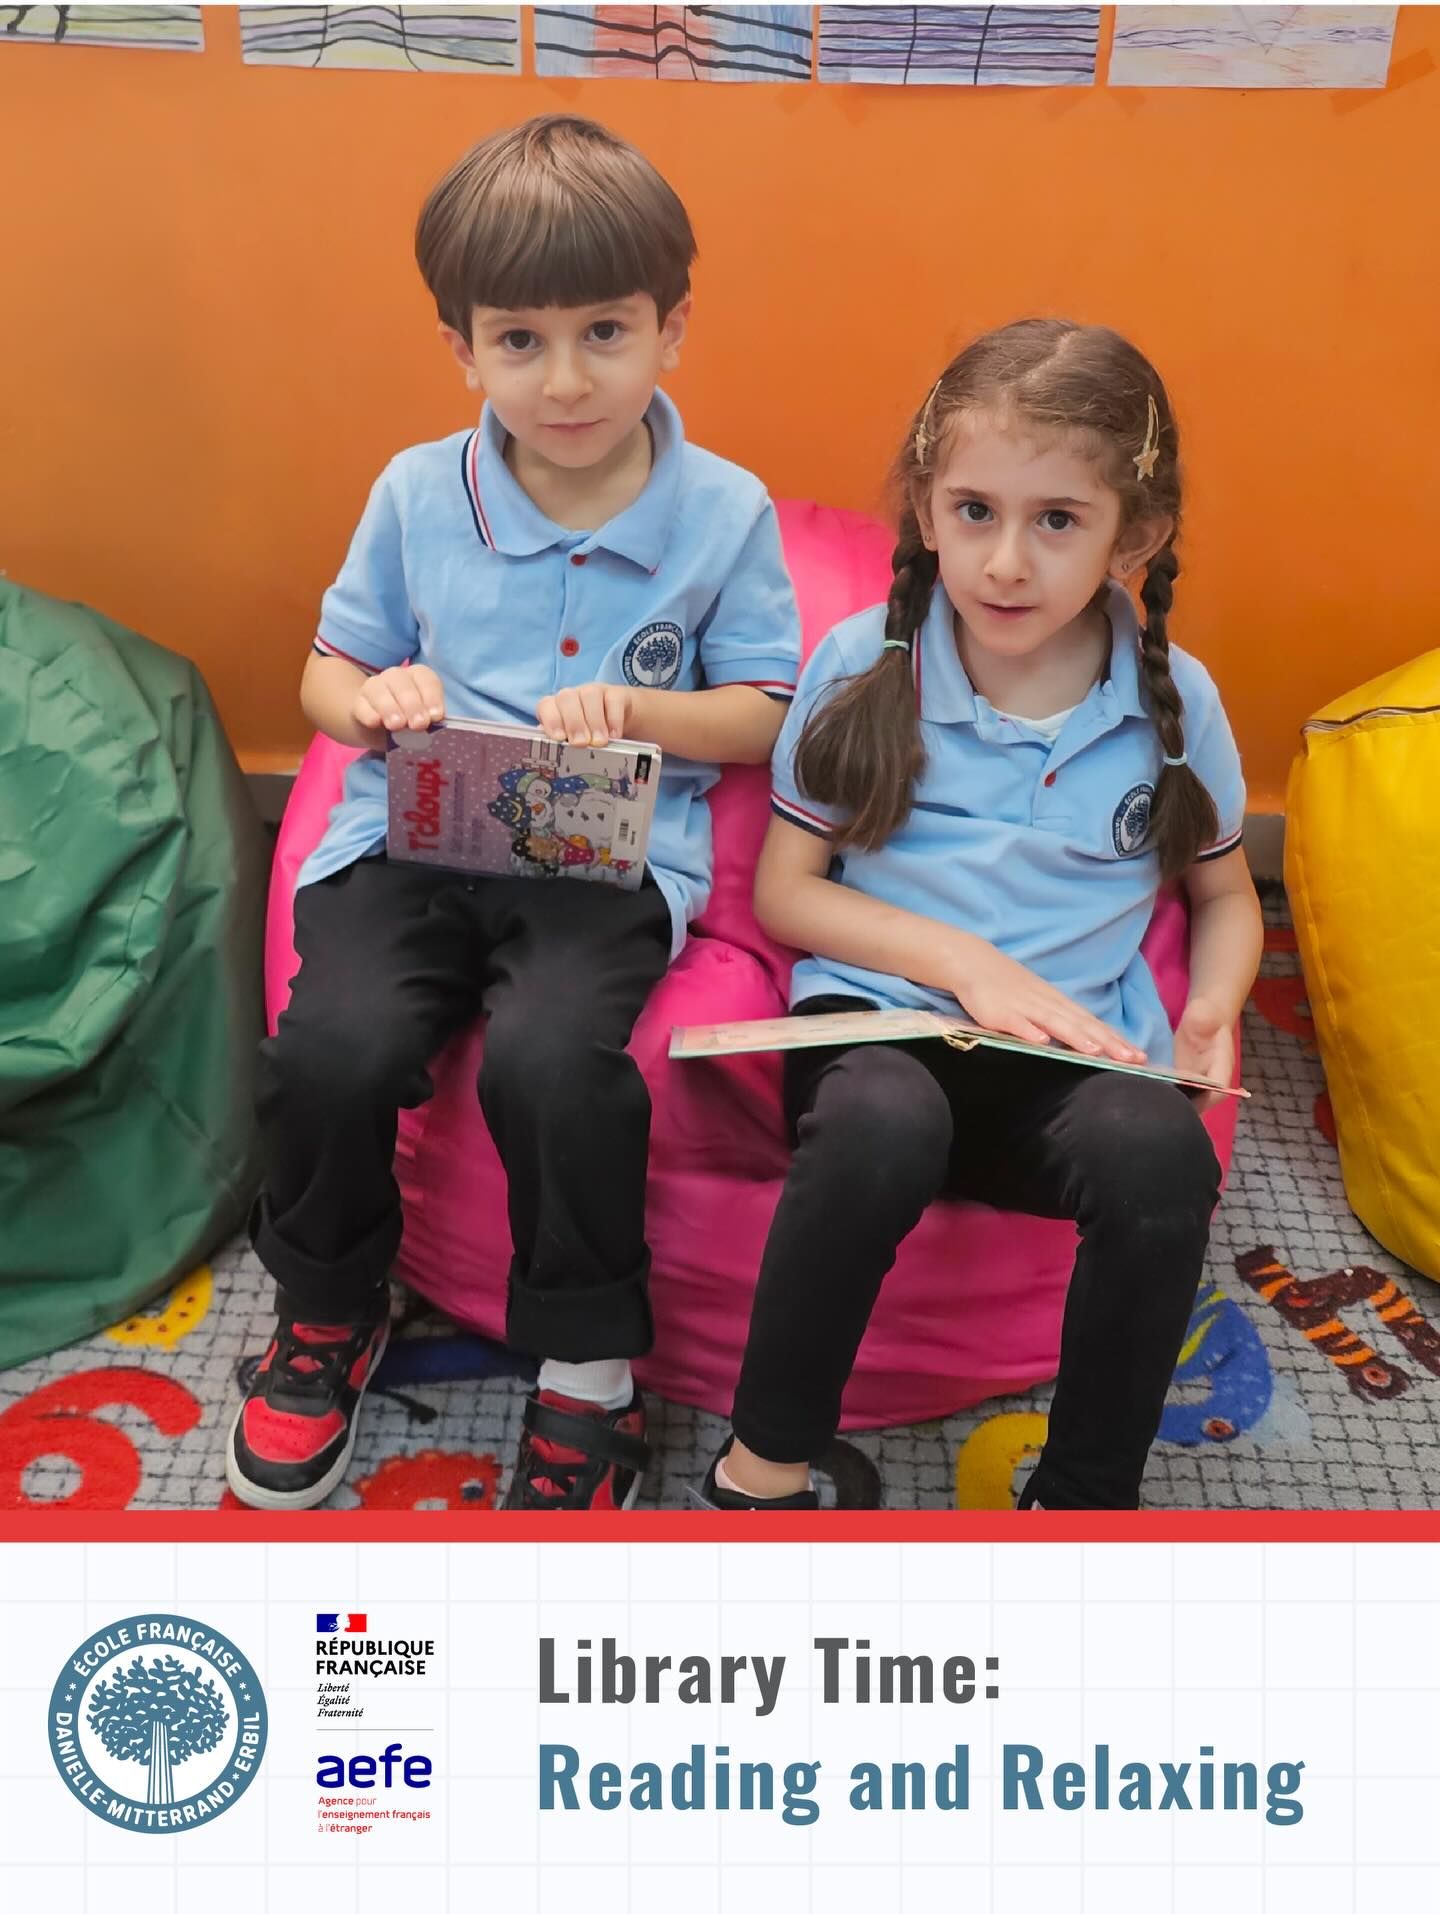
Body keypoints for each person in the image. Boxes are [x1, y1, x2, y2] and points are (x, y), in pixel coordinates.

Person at [227, 115, 800, 1512]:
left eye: (606, 331)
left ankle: (588, 1373)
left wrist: (643, 711)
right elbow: (326, 673)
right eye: (519, 341)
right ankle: (326, 1308)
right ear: (463, 348)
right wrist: (375, 704)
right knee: (331, 1048)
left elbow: (767, 711)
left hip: (599, 857)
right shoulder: (417, 492)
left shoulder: (725, 511)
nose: (565, 379)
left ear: (672, 329)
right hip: (415, 835)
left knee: (556, 1065)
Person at [701, 318, 1263, 1512]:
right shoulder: (863, 663)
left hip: (1063, 1060)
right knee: (881, 1126)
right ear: (924, 508)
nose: (1007, 562)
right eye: (974, 512)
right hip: (878, 1031)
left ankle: (1081, 1500)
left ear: (1136, 535)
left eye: (1057, 521)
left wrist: (1211, 1007)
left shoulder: (1175, 702)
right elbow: (785, 894)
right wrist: (957, 963)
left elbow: (1222, 891)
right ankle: (763, 1469)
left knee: (1160, 1158)